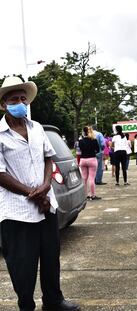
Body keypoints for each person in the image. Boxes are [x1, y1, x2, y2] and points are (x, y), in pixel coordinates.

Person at [0, 76, 79, 311]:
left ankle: (53, 300)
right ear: (4, 104)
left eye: (23, 98)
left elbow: (48, 158)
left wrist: (45, 187)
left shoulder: (37, 128)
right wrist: (33, 194)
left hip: (46, 205)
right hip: (17, 211)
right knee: (22, 263)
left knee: (50, 257)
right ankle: (26, 304)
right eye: (14, 99)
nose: (20, 103)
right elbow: (0, 174)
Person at [79, 126, 101, 200]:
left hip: (83, 160)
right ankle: (93, 195)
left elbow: (80, 149)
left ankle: (85, 195)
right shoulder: (94, 140)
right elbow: (98, 150)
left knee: (84, 178)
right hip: (92, 159)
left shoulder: (81, 140)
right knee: (91, 178)